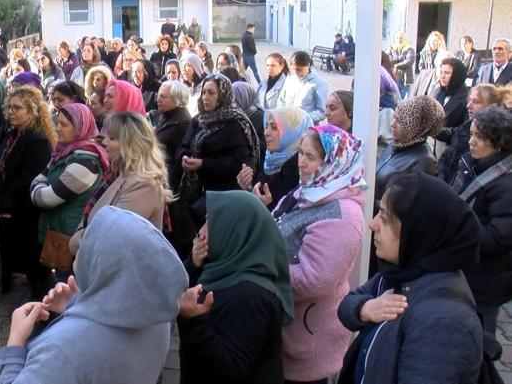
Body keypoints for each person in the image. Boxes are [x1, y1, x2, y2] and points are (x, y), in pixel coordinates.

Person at [0, 205, 187, 384]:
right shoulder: (156, 316)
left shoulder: (60, 351)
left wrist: (15, 342)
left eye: (88, 242)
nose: (79, 250)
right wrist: (79, 305)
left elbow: (78, 353)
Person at [337, 172, 484, 384]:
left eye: (385, 219)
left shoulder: (444, 321)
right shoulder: (402, 271)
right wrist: (366, 308)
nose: (373, 224)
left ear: (418, 231)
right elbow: (346, 306)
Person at [273, 125, 366, 384]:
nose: (301, 163)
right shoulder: (307, 192)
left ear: (335, 163)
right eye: (300, 154)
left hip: (307, 340)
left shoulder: (343, 214)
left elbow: (312, 280)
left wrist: (260, 267)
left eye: (310, 157)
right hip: (287, 332)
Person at [179, 190, 293, 384]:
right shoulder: (226, 269)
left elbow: (229, 371)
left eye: (211, 222)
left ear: (235, 230)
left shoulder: (250, 297)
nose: (202, 231)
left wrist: (194, 321)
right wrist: (194, 266)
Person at [68, 111, 171, 256]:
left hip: (116, 267)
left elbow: (113, 235)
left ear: (132, 143)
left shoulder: (144, 184)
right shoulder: (117, 172)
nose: (105, 142)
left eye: (112, 138)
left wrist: (76, 241)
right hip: (97, 261)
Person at [450, 107, 512, 346]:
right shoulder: (479, 164)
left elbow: (498, 239)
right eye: (472, 133)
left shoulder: (504, 183)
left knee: (481, 337)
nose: (472, 141)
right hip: (471, 269)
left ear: (499, 143)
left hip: (487, 279)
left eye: (480, 137)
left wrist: (459, 222)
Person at [30, 103, 107, 277]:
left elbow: (48, 198)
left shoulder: (86, 162)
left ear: (79, 127)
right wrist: (39, 189)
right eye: (57, 123)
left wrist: (36, 191)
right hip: (59, 236)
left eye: (64, 125)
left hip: (70, 241)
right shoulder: (64, 153)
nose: (57, 129)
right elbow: (38, 180)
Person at [0, 85, 55, 299]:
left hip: (25, 213)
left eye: (17, 108)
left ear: (32, 111)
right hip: (8, 211)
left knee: (36, 270)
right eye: (9, 107)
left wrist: (2, 204)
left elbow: (28, 180)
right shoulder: (12, 134)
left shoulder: (37, 141)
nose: (11, 112)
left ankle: (46, 313)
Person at [179, 73, 259, 222]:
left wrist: (203, 164)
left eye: (211, 93)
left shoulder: (234, 123)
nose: (205, 97)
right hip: (196, 188)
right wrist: (184, 156)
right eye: (203, 92)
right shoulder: (199, 119)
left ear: (222, 95)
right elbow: (185, 144)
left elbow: (239, 162)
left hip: (222, 193)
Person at [375, 95, 444, 208]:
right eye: (394, 118)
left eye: (399, 121)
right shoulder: (396, 144)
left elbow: (411, 207)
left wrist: (373, 204)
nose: (392, 124)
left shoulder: (425, 162)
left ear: (415, 126)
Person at [237, 107, 311, 211]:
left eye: (274, 128)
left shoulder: (298, 168)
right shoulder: (271, 160)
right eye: (266, 127)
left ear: (292, 132)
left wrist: (260, 207)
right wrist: (247, 188)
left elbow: (285, 219)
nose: (266, 133)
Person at [154, 81, 194, 255]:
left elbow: (179, 158)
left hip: (172, 187)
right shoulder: (166, 116)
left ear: (177, 100)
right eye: (158, 95)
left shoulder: (182, 123)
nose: (158, 99)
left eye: (163, 97)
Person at [438, 84, 506, 183]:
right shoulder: (469, 124)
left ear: (492, 105)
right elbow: (453, 133)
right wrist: (432, 130)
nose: (468, 105)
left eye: (476, 102)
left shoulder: (497, 135)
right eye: (470, 100)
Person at [278, 51, 329, 124]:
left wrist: (302, 117)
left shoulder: (319, 83)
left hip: (307, 127)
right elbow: (281, 100)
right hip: (287, 124)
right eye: (294, 69)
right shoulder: (289, 79)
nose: (296, 73)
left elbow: (322, 111)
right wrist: (281, 113)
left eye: (299, 70)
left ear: (308, 65)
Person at [388, 31, 416, 97]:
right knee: (395, 98)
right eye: (397, 38)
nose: (399, 40)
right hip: (394, 78)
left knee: (405, 101)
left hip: (405, 79)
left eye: (401, 38)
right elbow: (389, 60)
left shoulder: (410, 49)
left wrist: (396, 65)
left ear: (404, 39)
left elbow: (409, 61)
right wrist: (401, 60)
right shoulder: (390, 49)